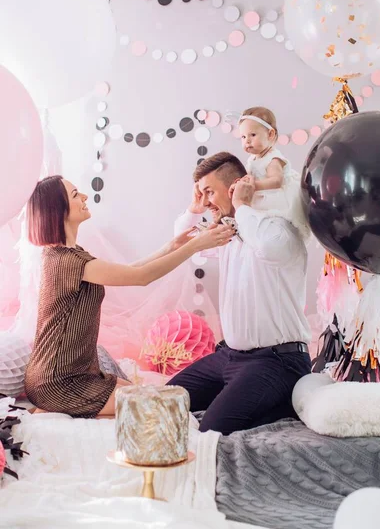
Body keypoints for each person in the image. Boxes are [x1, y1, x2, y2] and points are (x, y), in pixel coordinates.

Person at [24, 175, 234, 418]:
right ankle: (50, 409)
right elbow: (141, 277)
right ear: (58, 210)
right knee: (158, 408)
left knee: (149, 395)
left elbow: (131, 271)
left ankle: (50, 409)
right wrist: (194, 246)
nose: (84, 197)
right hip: (57, 382)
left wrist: (172, 247)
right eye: (75, 195)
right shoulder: (66, 261)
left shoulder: (69, 255)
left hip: (72, 374)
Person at [167, 152, 312, 435]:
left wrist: (241, 205)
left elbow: (270, 248)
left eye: (209, 191)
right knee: (162, 402)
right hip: (230, 357)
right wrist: (195, 209)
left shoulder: (279, 228)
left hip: (277, 361)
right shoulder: (228, 234)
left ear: (235, 187)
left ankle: (283, 401)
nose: (207, 200)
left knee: (211, 430)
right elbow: (180, 243)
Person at [238, 106, 310, 241]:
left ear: (270, 134)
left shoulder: (273, 159)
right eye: (243, 137)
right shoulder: (252, 159)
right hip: (260, 196)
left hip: (274, 197)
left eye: (252, 135)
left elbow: (276, 181)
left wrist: (254, 186)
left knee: (272, 227)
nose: (247, 141)